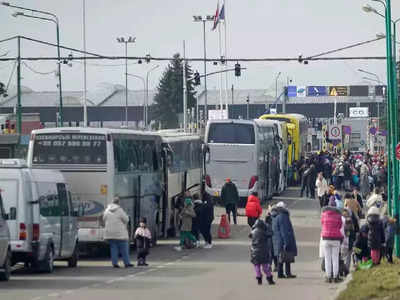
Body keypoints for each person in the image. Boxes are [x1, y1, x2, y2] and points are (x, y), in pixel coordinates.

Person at [103, 196, 133, 268]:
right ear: (118, 202)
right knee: (124, 248)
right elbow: (126, 220)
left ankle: (115, 263)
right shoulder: (120, 210)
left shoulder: (107, 210)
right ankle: (127, 263)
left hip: (110, 233)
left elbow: (104, 219)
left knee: (113, 248)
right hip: (120, 234)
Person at [272, 201, 297, 279]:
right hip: (283, 240)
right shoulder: (283, 216)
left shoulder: (276, 216)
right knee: (286, 257)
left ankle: (281, 273)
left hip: (277, 240)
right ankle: (287, 273)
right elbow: (284, 231)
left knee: (281, 257)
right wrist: (286, 242)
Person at [321, 197, 343, 283]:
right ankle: (335, 276)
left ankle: (328, 276)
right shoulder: (338, 215)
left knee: (327, 258)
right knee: (335, 258)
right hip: (336, 238)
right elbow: (340, 225)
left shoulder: (324, 214)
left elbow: (322, 223)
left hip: (326, 238)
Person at [250, 219, 275, 285]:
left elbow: (249, 235)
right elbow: (271, 233)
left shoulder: (253, 231)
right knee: (265, 267)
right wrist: (268, 226)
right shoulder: (264, 232)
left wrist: (253, 228)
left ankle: (259, 279)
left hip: (254, 252)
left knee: (257, 266)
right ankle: (269, 279)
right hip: (263, 251)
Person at [341, 209, 355, 275]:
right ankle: (346, 270)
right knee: (348, 257)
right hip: (348, 243)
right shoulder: (350, 222)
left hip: (341, 243)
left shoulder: (340, 221)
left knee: (342, 257)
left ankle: (341, 270)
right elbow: (352, 234)